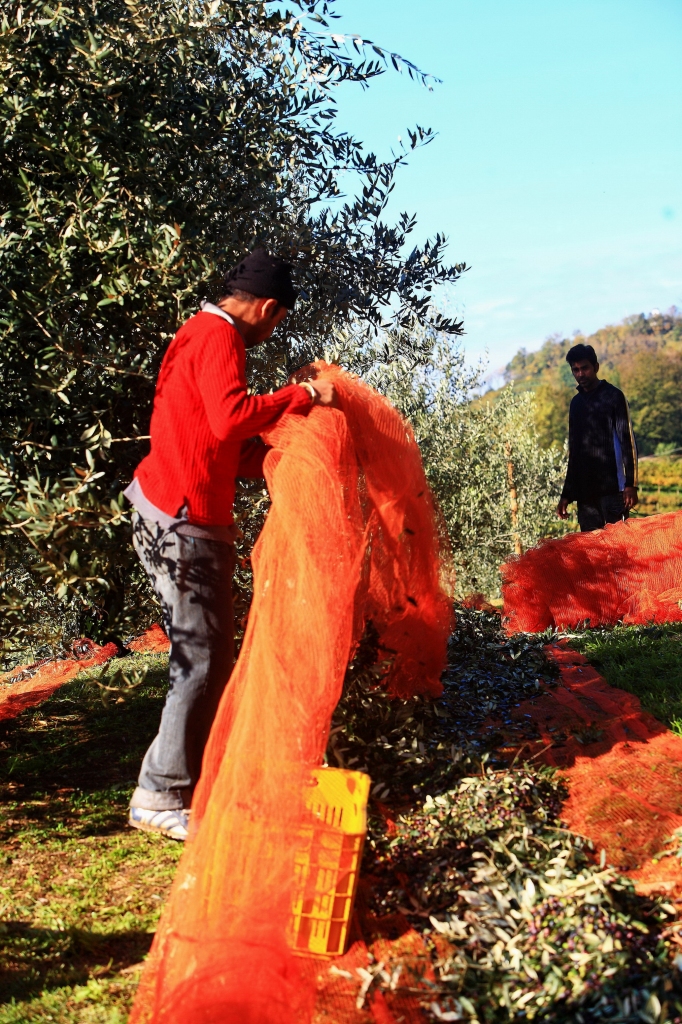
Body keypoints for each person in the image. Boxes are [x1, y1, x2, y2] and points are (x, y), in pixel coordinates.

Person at [124, 249, 335, 840]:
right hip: (184, 519)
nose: (273, 332)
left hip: (164, 504)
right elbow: (228, 417)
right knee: (201, 658)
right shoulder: (219, 338)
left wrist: (283, 461)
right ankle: (160, 796)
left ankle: (179, 780)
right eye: (278, 322)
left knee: (204, 654)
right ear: (268, 308)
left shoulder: (199, 333)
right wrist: (303, 398)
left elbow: (219, 441)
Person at [556, 343, 638, 532]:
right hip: (586, 497)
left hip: (614, 492)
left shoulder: (614, 396)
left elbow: (628, 442)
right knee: (592, 553)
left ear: (596, 367)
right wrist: (567, 493)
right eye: (575, 370)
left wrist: (631, 485)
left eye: (584, 368)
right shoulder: (575, 404)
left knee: (618, 549)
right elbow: (574, 452)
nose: (580, 374)